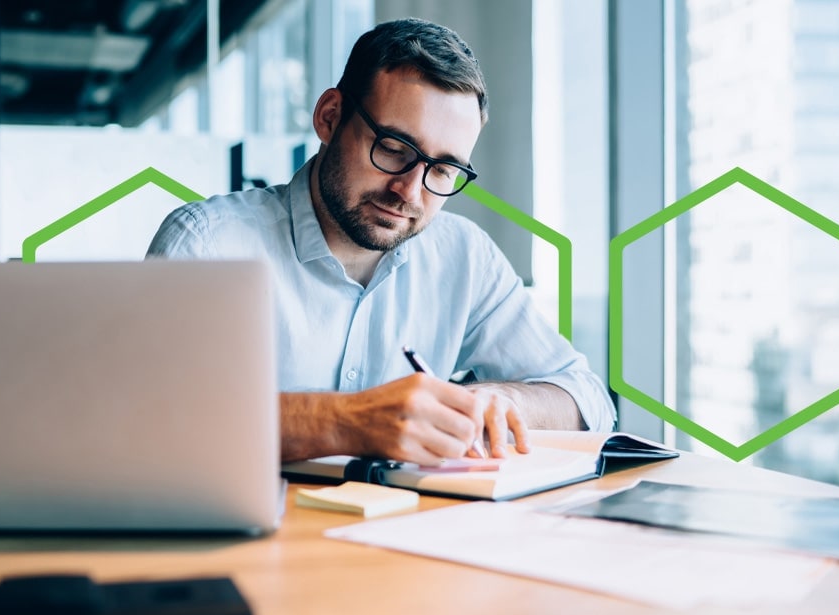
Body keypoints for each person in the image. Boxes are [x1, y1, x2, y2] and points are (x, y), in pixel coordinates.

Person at [148, 18, 616, 465]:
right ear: (330, 117)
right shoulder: (207, 243)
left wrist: (500, 399)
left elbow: (588, 399)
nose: (410, 192)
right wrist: (349, 423)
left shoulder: (464, 256)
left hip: (408, 538)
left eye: (442, 170)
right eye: (393, 149)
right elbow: (146, 417)